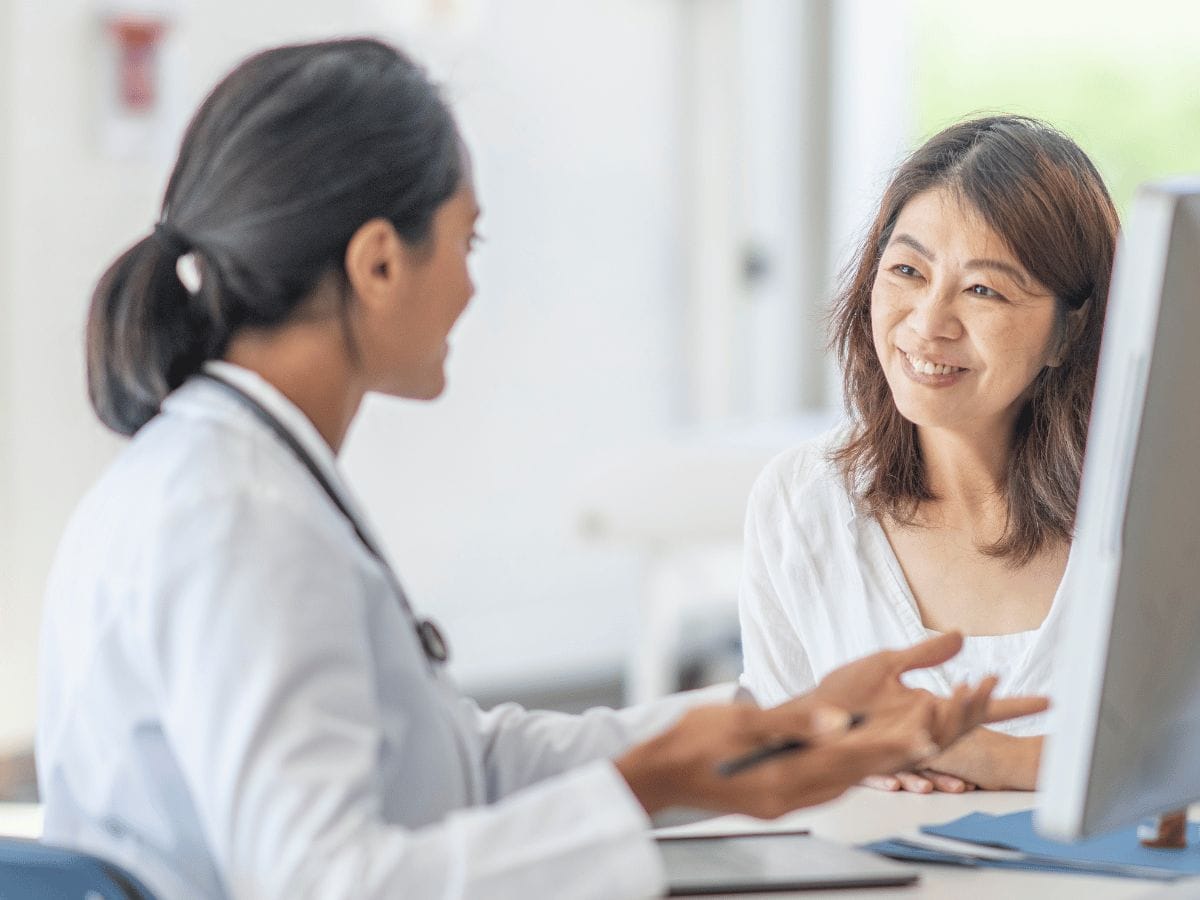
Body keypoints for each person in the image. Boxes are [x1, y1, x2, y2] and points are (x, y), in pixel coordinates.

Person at [36, 41, 1045, 900]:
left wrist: (769, 729)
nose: (474, 284)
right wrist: (642, 787)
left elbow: (457, 762)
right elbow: (331, 883)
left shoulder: (232, 475)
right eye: (467, 240)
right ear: (378, 262)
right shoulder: (237, 518)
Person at [738, 115, 1117, 795]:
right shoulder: (805, 499)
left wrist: (997, 758)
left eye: (983, 290)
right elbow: (774, 752)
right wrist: (832, 760)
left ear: (1070, 330)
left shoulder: (1155, 507)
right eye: (907, 271)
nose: (925, 324)